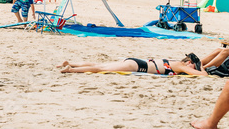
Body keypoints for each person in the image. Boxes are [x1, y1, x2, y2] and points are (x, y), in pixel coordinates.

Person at [60, 53, 204, 76]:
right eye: (193, 66)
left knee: (101, 64)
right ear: (189, 62)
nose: (191, 69)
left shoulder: (174, 62)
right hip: (137, 67)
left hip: (137, 62)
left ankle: (71, 63)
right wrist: (201, 67)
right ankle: (71, 70)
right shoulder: (180, 65)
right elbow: (202, 75)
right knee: (100, 68)